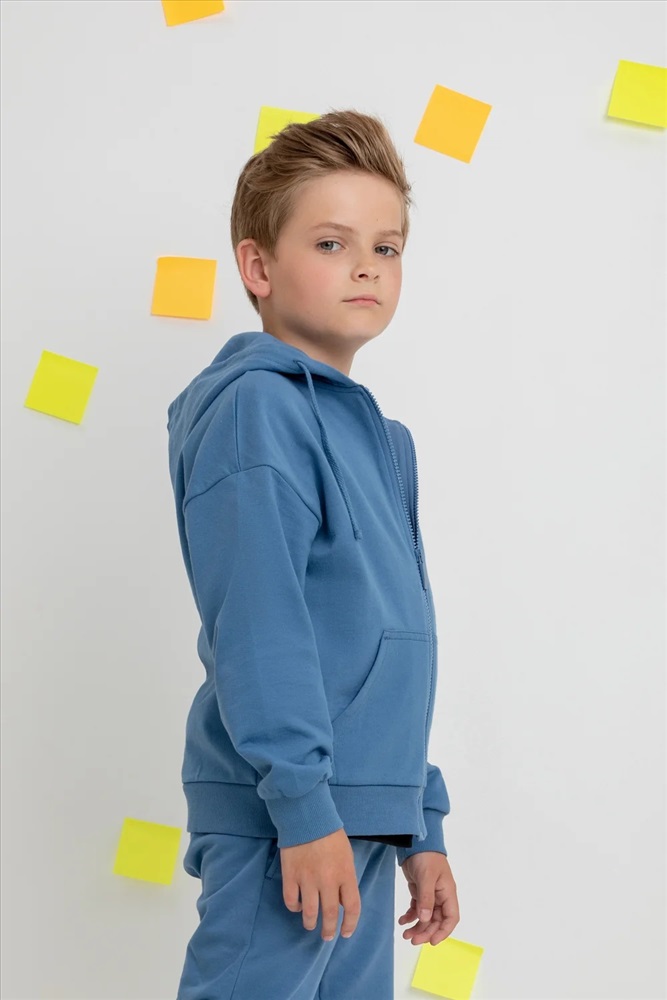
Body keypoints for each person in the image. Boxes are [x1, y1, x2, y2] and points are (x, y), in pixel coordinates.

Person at [167, 108, 460, 1000]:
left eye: (387, 246)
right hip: (287, 818)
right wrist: (301, 809)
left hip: (360, 813)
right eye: (331, 243)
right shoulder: (255, 410)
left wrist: (420, 818)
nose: (366, 266)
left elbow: (389, 642)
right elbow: (260, 625)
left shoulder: (383, 440)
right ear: (258, 268)